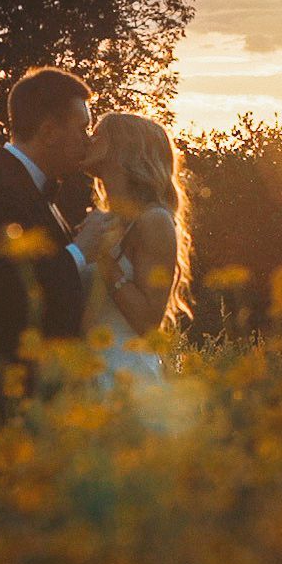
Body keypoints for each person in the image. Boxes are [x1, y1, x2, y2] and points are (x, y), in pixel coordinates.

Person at [0, 67, 113, 368]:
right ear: (49, 132)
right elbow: (6, 296)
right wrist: (80, 251)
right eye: (82, 129)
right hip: (3, 391)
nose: (87, 141)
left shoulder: (29, 186)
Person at [80, 112, 193, 391]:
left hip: (127, 378)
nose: (88, 139)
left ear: (124, 149)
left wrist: (104, 259)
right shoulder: (106, 220)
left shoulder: (154, 220)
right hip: (89, 377)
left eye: (99, 134)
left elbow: (148, 322)